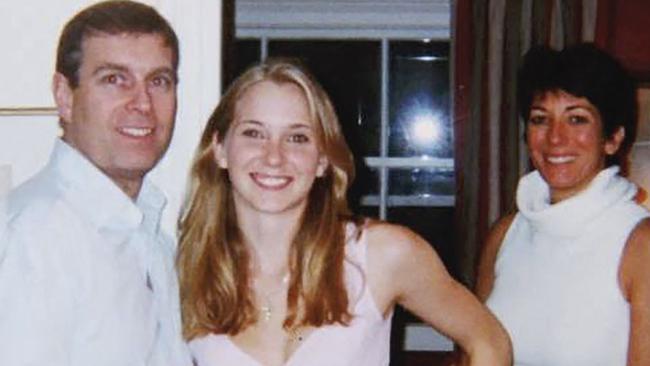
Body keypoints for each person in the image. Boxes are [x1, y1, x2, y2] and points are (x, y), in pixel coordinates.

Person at [177, 59, 512, 366]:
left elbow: (489, 341)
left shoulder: (380, 254)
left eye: (297, 137)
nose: (274, 156)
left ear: (322, 159)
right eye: (254, 133)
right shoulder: (183, 271)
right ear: (219, 149)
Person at [0, 1, 191, 365]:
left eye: (158, 81)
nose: (142, 103)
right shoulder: (37, 238)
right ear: (64, 96)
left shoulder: (150, 239)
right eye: (115, 79)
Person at [475, 43, 650, 366]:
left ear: (612, 138)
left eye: (577, 119)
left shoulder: (640, 242)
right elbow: (473, 353)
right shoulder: (505, 234)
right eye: (540, 119)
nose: (555, 138)